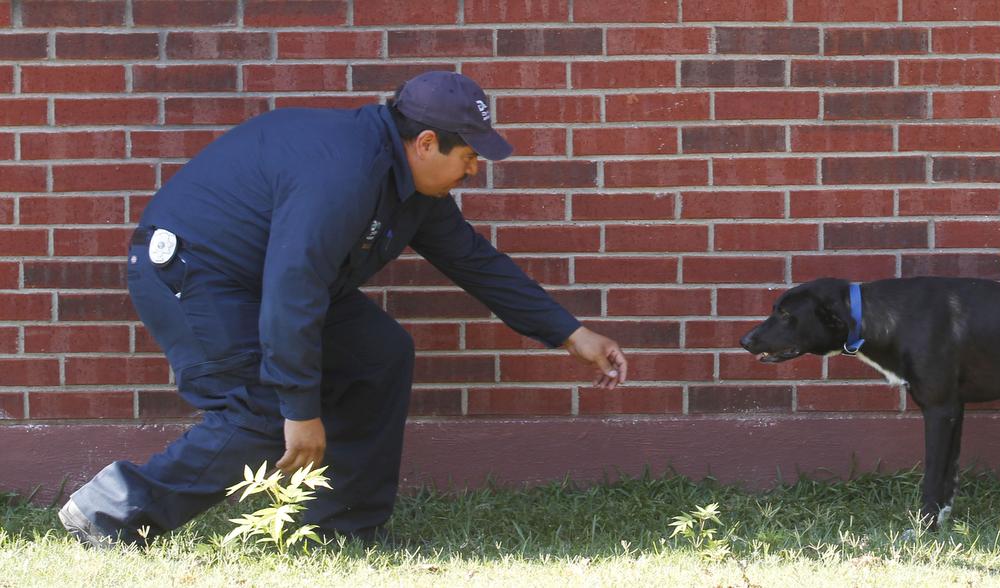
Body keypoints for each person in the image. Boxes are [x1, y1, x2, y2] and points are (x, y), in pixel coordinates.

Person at [58, 71, 628, 548]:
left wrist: (570, 334)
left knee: (379, 355)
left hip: (270, 278)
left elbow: (473, 260)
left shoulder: (411, 186)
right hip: (197, 273)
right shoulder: (344, 171)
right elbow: (294, 288)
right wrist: (301, 410)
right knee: (261, 410)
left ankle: (338, 528)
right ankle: (110, 513)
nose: (474, 169)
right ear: (427, 143)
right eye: (470, 155)